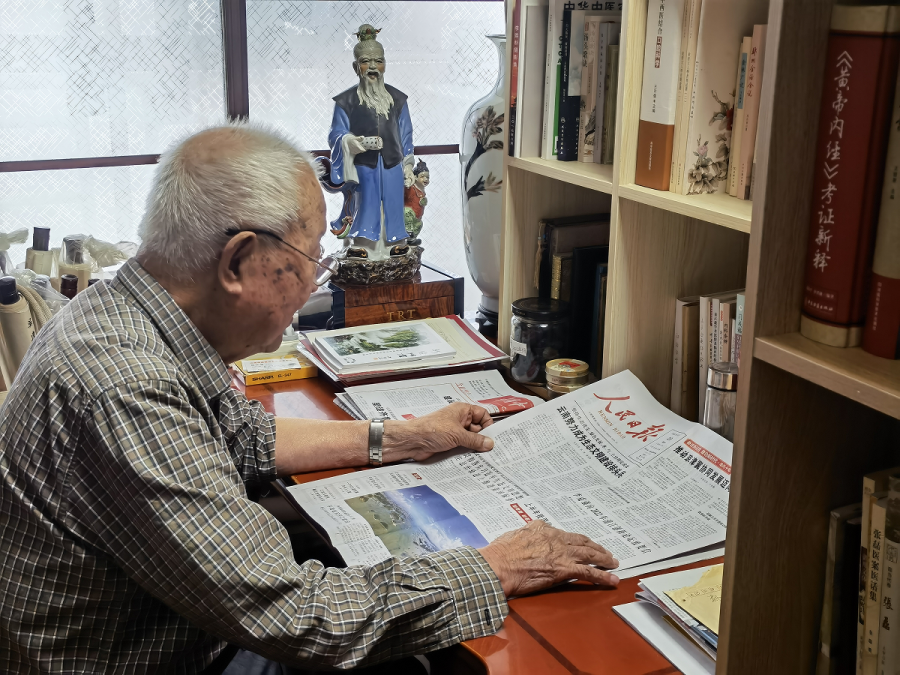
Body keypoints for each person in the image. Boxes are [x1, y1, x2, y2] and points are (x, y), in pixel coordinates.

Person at [0, 123, 619, 674]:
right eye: (310, 257)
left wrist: (401, 437)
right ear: (240, 260)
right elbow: (296, 616)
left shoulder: (120, 310)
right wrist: (496, 567)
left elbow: (240, 436)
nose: (313, 282)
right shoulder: (124, 386)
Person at [327, 25, 414, 260]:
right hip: (363, 165)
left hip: (393, 163)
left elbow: (406, 134)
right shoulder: (346, 101)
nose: (373, 67)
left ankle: (396, 241)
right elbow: (336, 134)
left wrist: (408, 164)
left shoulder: (397, 99)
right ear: (356, 67)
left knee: (394, 202)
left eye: (379, 61)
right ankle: (363, 243)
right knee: (366, 203)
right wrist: (355, 142)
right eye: (366, 62)